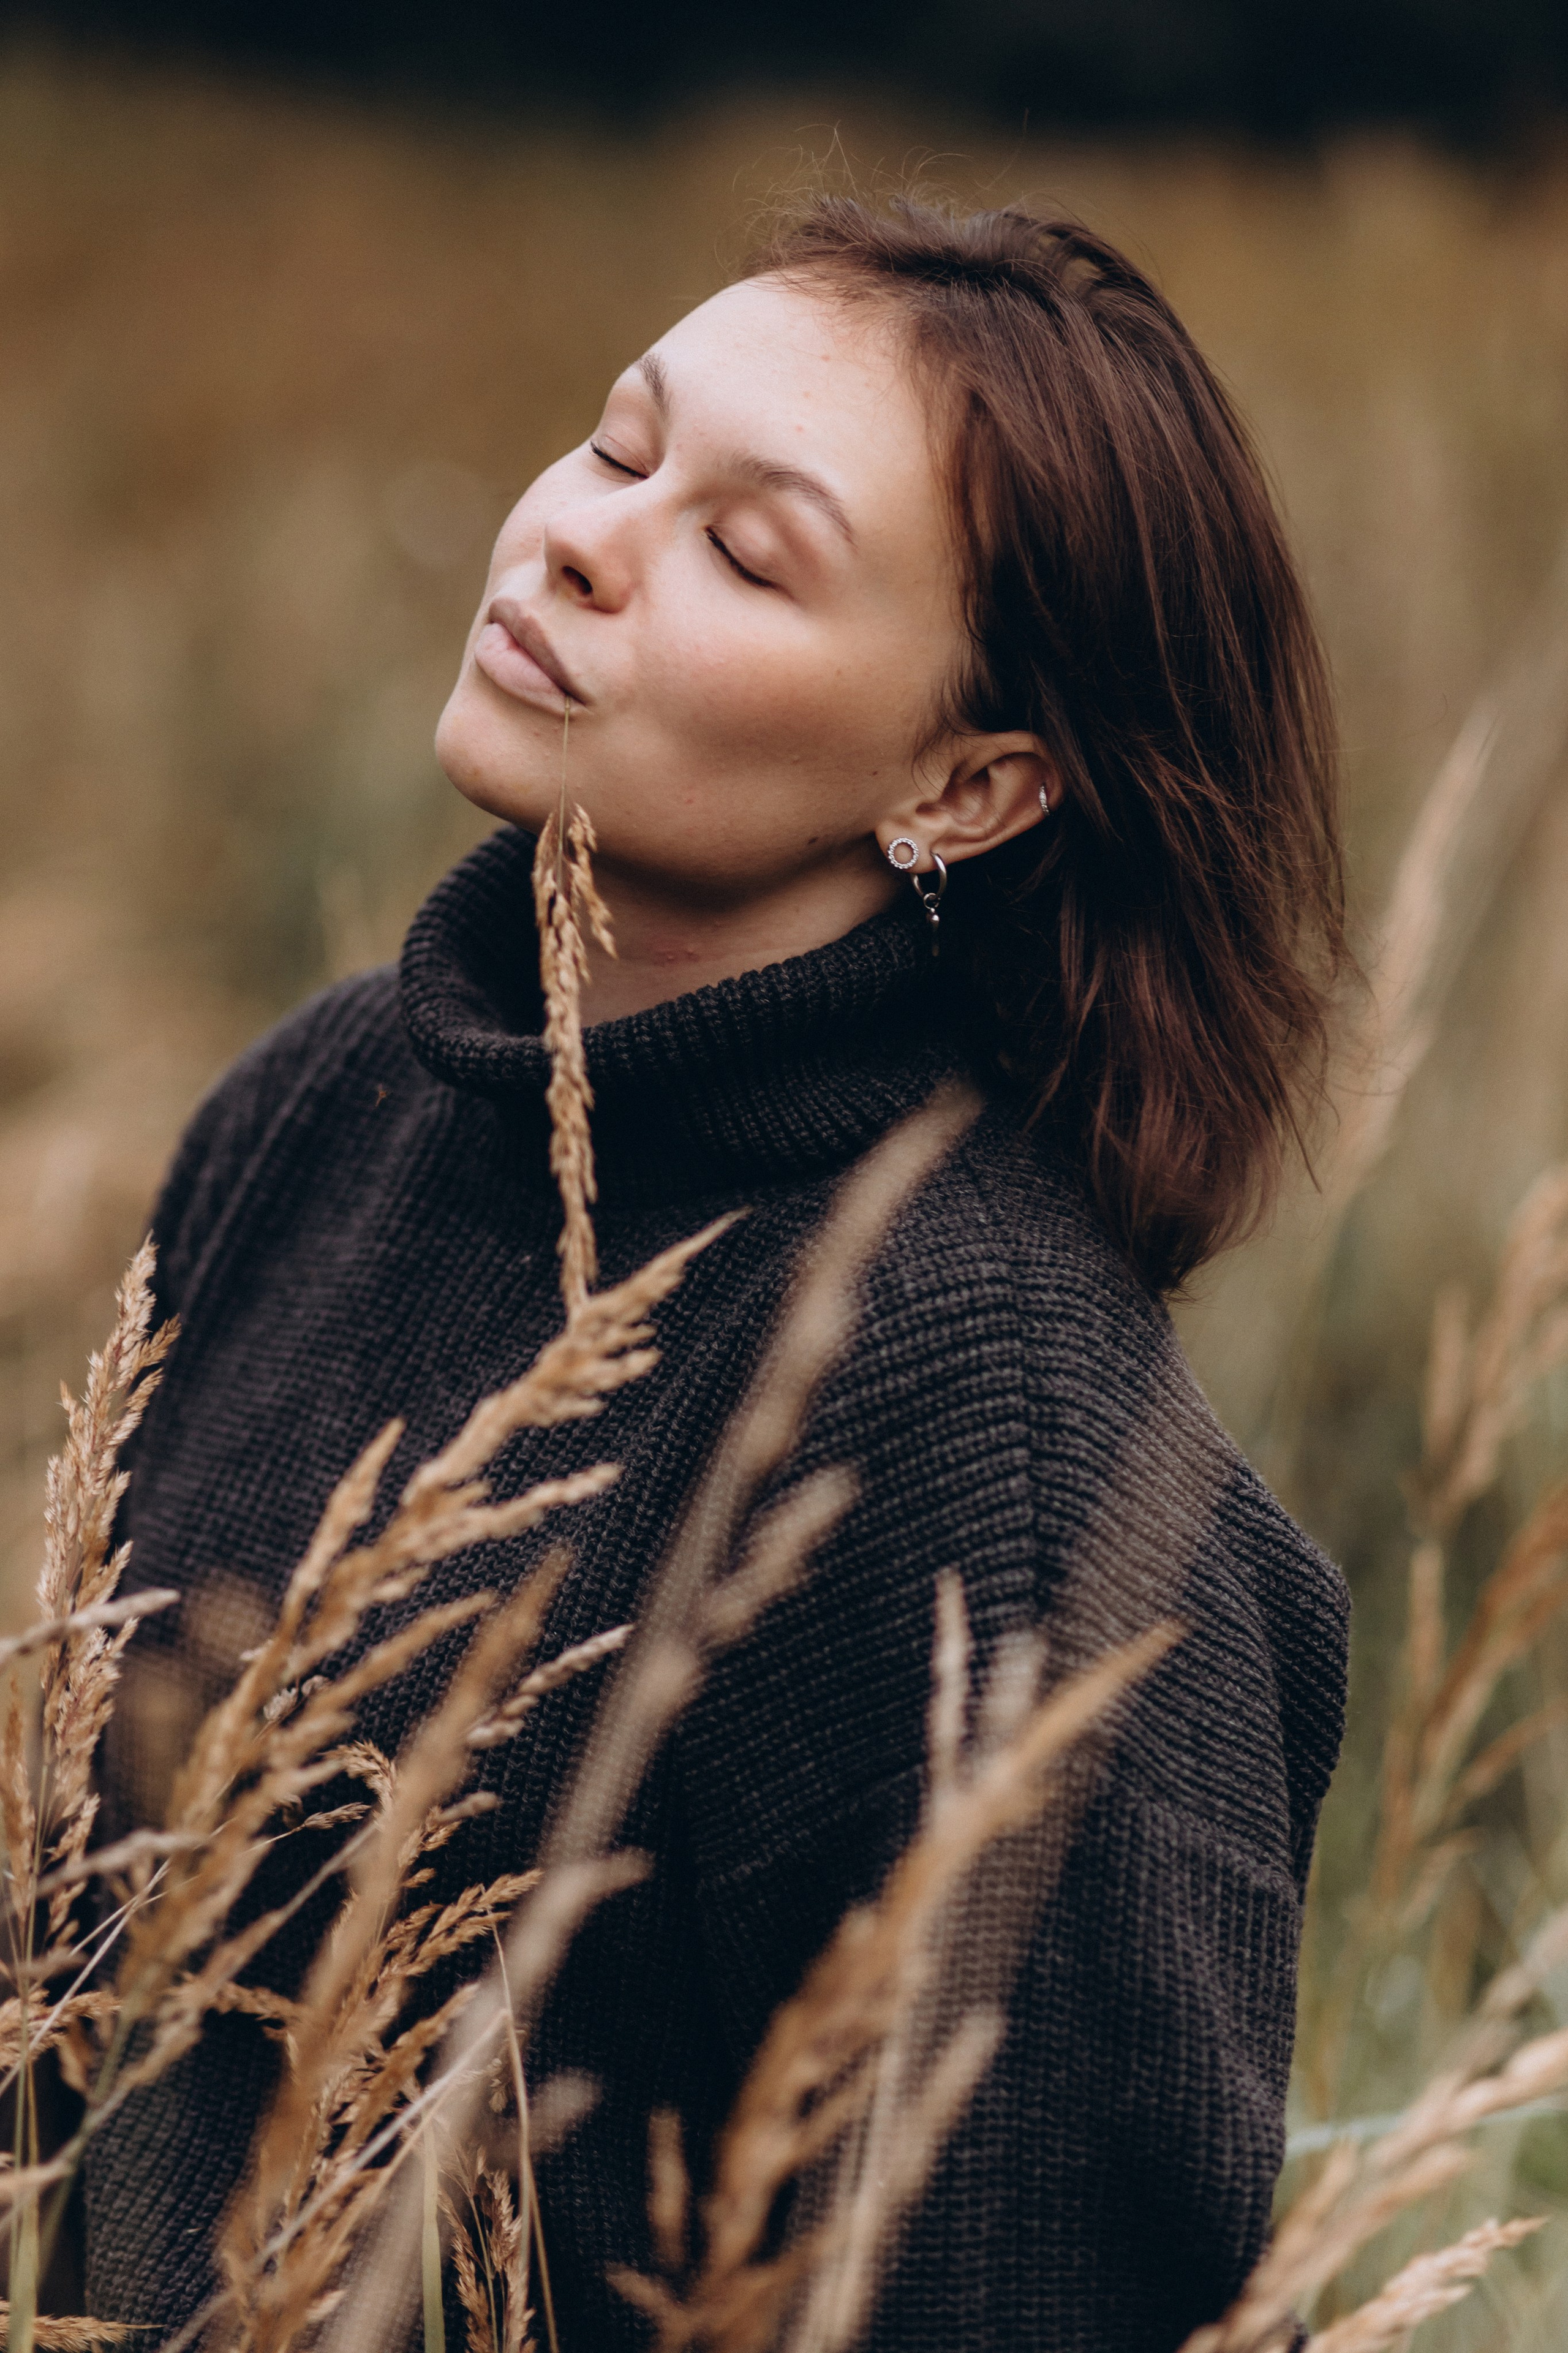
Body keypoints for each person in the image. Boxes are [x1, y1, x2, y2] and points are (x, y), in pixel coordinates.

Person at [85, 195, 1349, 2351]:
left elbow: (1044, 2288)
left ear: (970, 782)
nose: (583, 538)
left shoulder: (988, 1423)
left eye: (750, 551)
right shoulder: (333, 1103)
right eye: (614, 446)